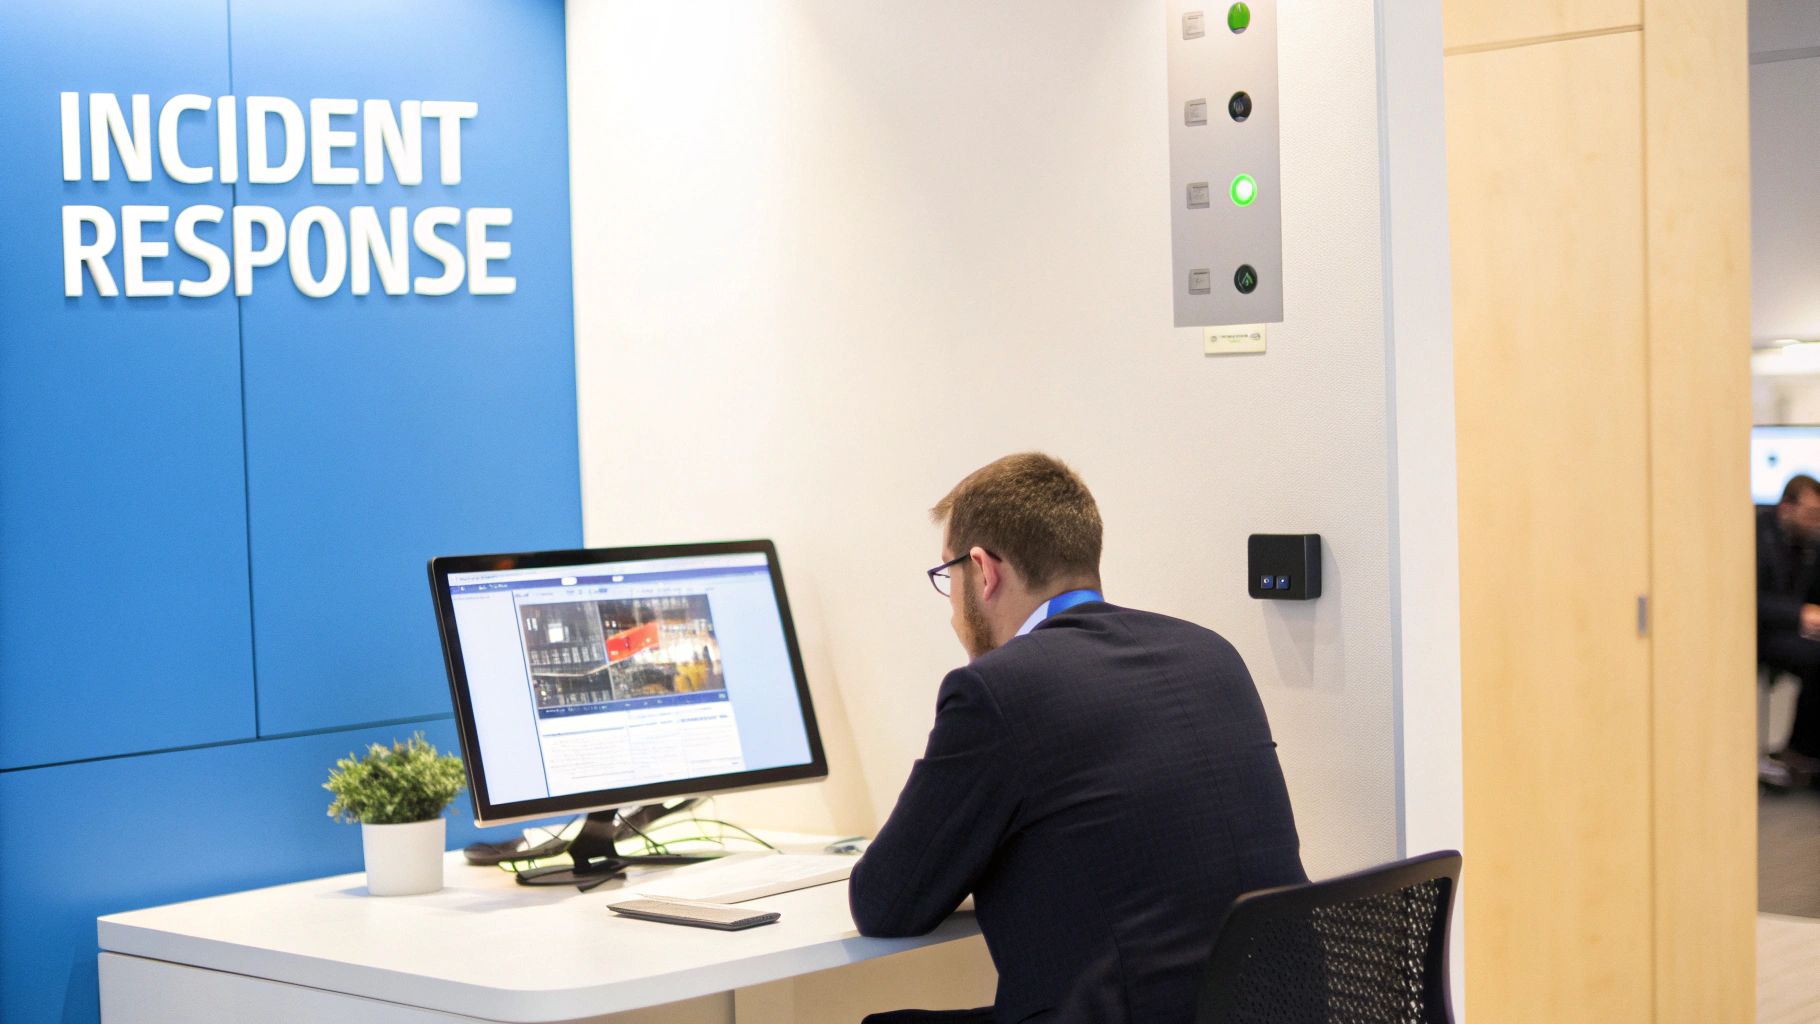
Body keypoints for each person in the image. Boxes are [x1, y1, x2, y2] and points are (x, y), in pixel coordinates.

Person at [849, 453, 1307, 1023]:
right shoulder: (1211, 654)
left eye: (948, 576)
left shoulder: (999, 690)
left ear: (984, 570)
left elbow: (886, 903)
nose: (951, 610)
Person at [1758, 475, 1820, 783]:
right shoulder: (1758, 537)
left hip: (1790, 630)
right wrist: (1799, 613)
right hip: (1760, 633)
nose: (1815, 521)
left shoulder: (1809, 545)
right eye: (1811, 513)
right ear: (1786, 508)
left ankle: (1803, 751)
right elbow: (1749, 601)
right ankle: (1800, 750)